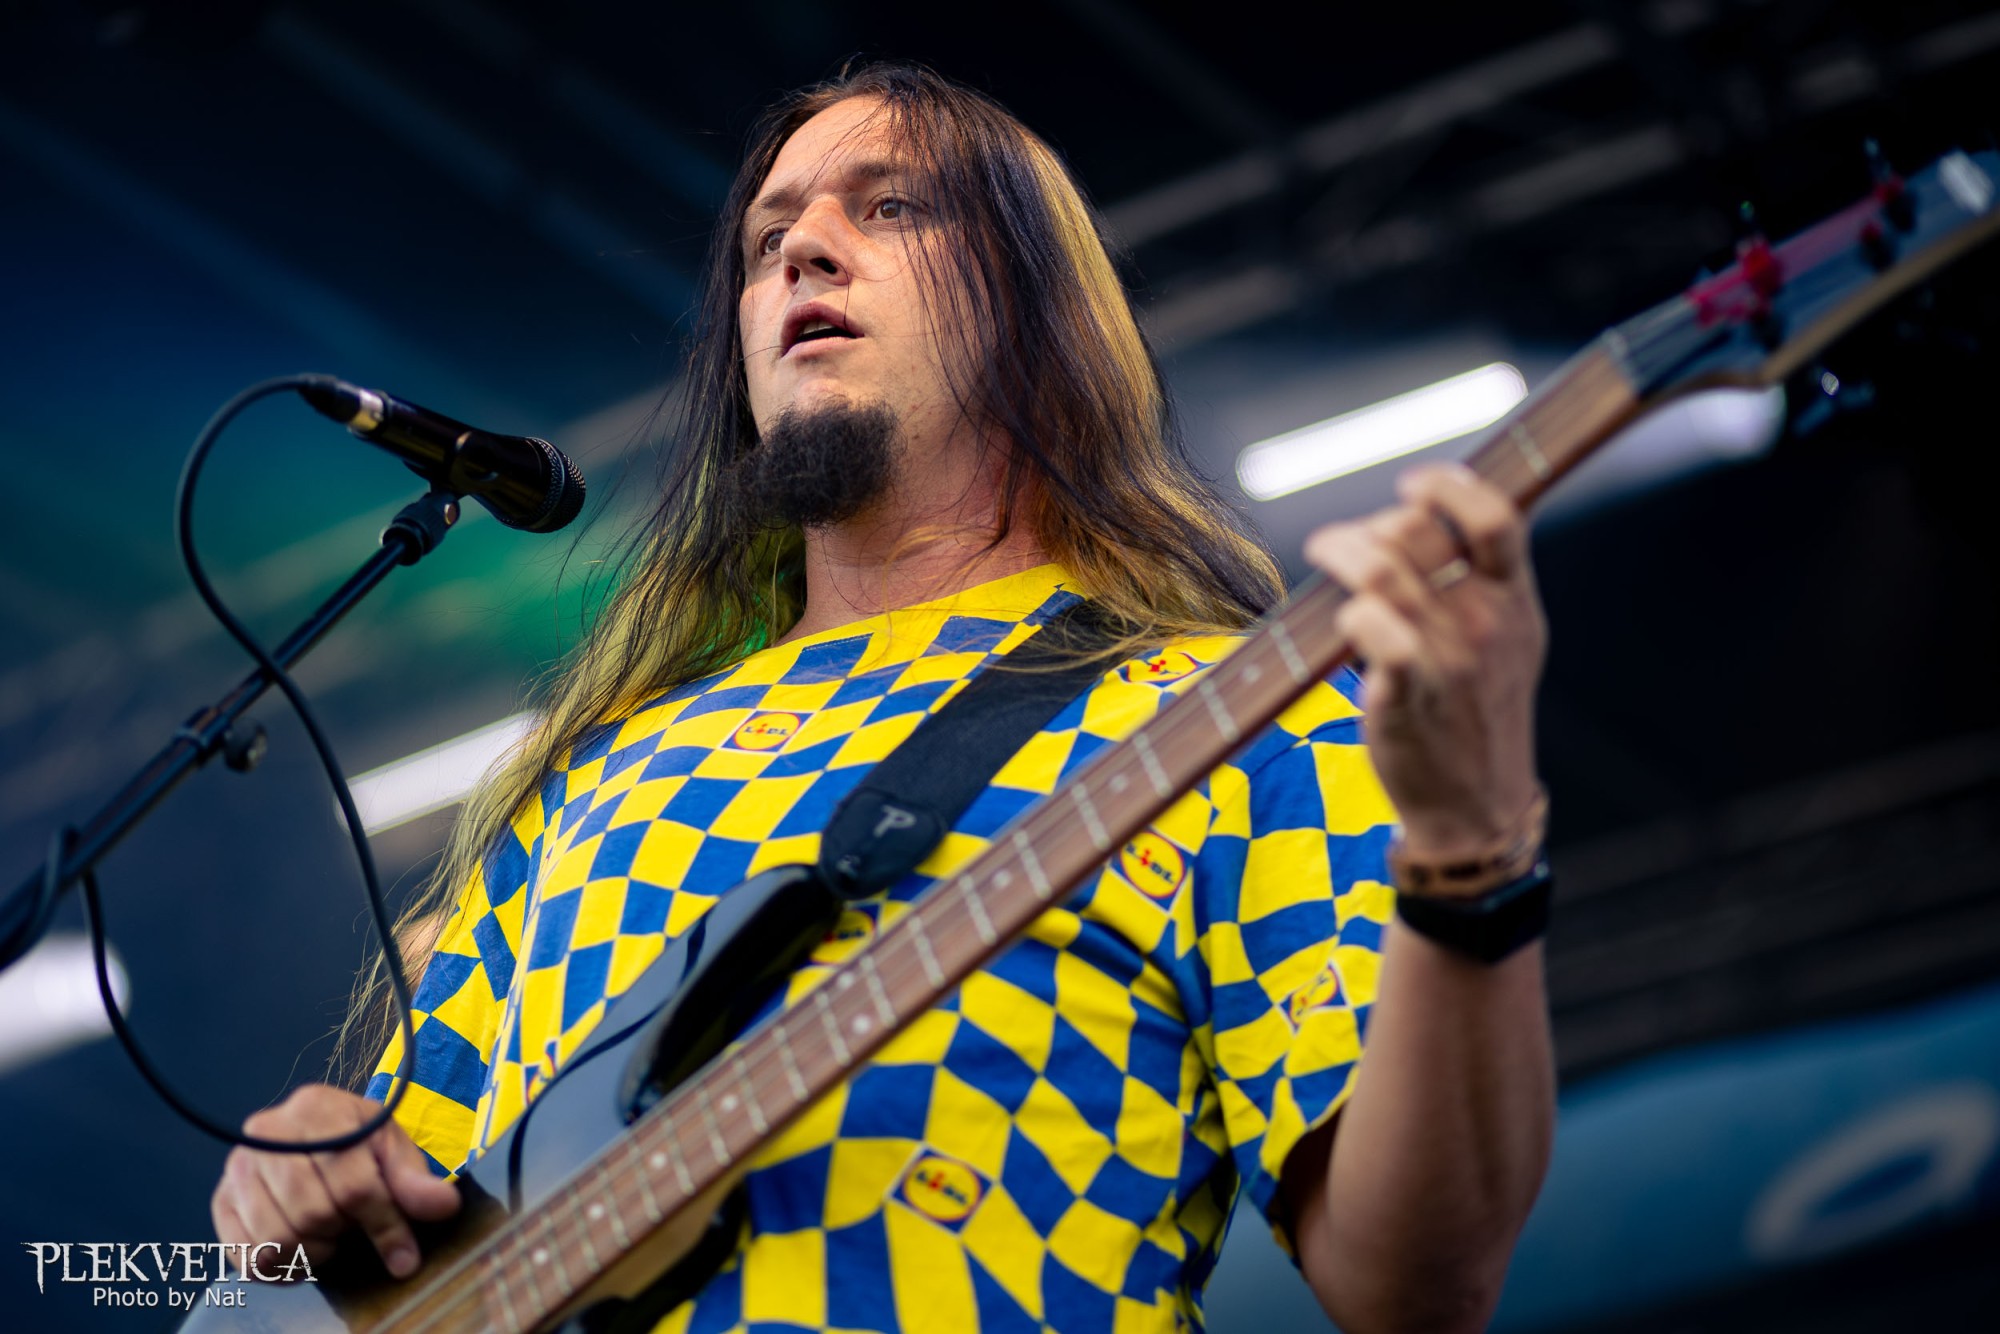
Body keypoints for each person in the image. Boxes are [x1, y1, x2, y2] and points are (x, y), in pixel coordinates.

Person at [210, 64, 1554, 1334]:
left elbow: (1417, 1286)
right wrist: (309, 1186)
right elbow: (407, 1256)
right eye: (766, 239)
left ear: (1037, 312)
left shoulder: (1233, 716)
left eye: (893, 206)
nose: (801, 248)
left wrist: (1473, 850)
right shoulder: (592, 776)